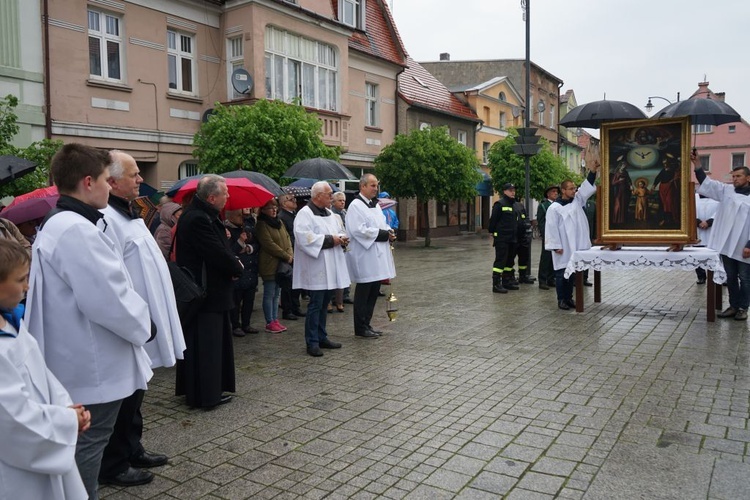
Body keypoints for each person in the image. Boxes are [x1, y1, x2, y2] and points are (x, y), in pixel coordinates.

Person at [24, 143, 153, 499]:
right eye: (104, 180)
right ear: (87, 182)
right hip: (93, 364)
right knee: (89, 444)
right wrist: (146, 326)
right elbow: (109, 299)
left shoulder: (62, 222)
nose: (110, 187)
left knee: (86, 443)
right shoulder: (76, 229)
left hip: (77, 355)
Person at [98, 151, 184, 486]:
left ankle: (132, 446)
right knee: (126, 392)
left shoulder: (130, 213)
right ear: (113, 181)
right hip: (131, 321)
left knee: (139, 388)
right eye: (134, 175)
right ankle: (114, 463)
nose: (140, 180)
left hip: (145, 317)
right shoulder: (106, 219)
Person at [0, 239, 90, 500]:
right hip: (16, 464)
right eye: (20, 280)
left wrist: (69, 410)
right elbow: (10, 418)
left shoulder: (12, 320)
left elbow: (42, 373)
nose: (27, 286)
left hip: (48, 426)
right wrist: (65, 421)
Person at [174, 174, 243, 408]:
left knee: (208, 345)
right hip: (206, 294)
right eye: (225, 193)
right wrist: (237, 267)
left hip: (210, 293)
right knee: (206, 347)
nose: (228, 196)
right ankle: (206, 395)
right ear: (212, 197)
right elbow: (215, 253)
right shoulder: (198, 219)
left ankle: (204, 391)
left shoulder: (204, 216)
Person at [293, 182, 350, 356]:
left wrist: (342, 238)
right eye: (328, 194)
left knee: (325, 303)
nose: (331, 197)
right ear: (317, 196)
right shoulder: (305, 214)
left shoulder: (331, 214)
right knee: (316, 304)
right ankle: (312, 342)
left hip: (331, 265)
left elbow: (340, 231)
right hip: (316, 267)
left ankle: (322, 336)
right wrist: (332, 240)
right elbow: (304, 238)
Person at [693, 153, 750, 320]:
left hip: (744, 245)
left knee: (745, 278)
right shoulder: (727, 191)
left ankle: (743, 308)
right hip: (726, 244)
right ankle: (733, 305)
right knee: (730, 277)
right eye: (733, 176)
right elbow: (707, 183)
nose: (735, 179)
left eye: (738, 176)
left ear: (748, 178)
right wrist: (697, 164)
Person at [345, 174, 396, 338]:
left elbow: (382, 224)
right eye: (372, 185)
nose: (375, 188)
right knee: (363, 293)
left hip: (377, 255)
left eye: (376, 185)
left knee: (374, 292)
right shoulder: (355, 206)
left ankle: (367, 324)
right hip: (365, 256)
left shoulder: (375, 205)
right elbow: (358, 230)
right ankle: (360, 328)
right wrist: (383, 234)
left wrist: (389, 231)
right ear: (363, 186)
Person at [545, 161, 599, 310]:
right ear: (563, 190)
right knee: (562, 273)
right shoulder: (554, 208)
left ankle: (569, 298)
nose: (574, 191)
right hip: (563, 245)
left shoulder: (578, 201)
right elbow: (550, 228)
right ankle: (561, 299)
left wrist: (593, 171)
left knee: (573, 273)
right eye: (570, 189)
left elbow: (587, 186)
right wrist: (556, 246)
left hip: (576, 244)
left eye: (574, 188)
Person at [256, 198, 294, 333]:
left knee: (277, 293)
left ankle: (275, 319)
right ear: (263, 210)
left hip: (282, 264)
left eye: (275, 208)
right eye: (270, 208)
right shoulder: (261, 224)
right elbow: (268, 244)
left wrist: (290, 252)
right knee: (269, 293)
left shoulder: (280, 222)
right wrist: (286, 255)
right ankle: (269, 321)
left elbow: (288, 238)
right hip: (270, 263)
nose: (273, 210)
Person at [225, 208, 260, 335]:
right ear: (231, 216)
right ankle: (235, 325)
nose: (242, 218)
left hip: (250, 268)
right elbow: (229, 251)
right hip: (238, 270)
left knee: (249, 299)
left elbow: (257, 244)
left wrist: (249, 248)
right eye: (239, 215)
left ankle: (247, 323)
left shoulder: (248, 228)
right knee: (236, 300)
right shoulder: (227, 231)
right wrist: (240, 242)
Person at [278, 193, 305, 320]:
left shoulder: (294, 215)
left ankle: (295, 306)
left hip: (297, 251)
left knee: (296, 283)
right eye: (291, 199)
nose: (295, 201)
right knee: (288, 284)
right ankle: (287, 309)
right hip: (290, 252)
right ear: (284, 203)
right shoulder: (282, 217)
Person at [488, 183, 519, 294]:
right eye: (510, 190)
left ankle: (507, 281)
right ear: (505, 191)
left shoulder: (514, 205)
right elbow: (493, 221)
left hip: (512, 238)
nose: (513, 192)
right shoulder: (499, 204)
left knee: (509, 261)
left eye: (514, 190)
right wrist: (492, 232)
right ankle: (496, 284)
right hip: (502, 239)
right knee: (500, 261)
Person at [330, 191, 350, 312]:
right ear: (333, 202)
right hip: (335, 244)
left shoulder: (345, 212)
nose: (342, 202)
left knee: (344, 273)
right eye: (340, 200)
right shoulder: (331, 214)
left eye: (343, 200)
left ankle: (343, 297)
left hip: (345, 244)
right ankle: (333, 299)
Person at [536, 185, 558, 290]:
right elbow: (541, 222)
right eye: (553, 192)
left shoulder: (558, 205)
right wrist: (546, 235)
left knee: (553, 258)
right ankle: (542, 280)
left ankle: (551, 278)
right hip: (548, 236)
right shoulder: (543, 206)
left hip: (557, 235)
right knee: (545, 258)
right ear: (548, 194)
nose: (555, 193)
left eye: (556, 192)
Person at [694, 193, 719, 285]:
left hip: (713, 230)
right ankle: (701, 276)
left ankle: (718, 276)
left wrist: (709, 222)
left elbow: (720, 211)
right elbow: (688, 210)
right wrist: (698, 222)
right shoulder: (693, 197)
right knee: (697, 255)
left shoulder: (717, 197)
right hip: (697, 230)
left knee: (716, 255)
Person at [652, 154, 681, 227]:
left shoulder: (673, 169)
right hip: (662, 187)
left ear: (668, 163)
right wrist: (654, 185)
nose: (665, 165)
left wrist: (672, 181)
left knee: (669, 203)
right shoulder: (663, 170)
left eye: (666, 163)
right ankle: (664, 219)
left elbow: (677, 175)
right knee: (663, 203)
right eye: (663, 163)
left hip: (670, 187)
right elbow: (658, 178)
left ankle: (669, 219)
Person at [513, 198, 534, 284]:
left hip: (523, 236)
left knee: (524, 258)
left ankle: (523, 276)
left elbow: (526, 217)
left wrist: (527, 224)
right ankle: (509, 278)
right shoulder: (503, 204)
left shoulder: (520, 205)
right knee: (510, 259)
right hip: (513, 237)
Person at [610, 160, 632, 225]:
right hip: (618, 191)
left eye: (625, 166)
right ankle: (616, 220)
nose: (624, 167)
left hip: (624, 190)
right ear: (620, 166)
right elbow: (613, 183)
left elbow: (629, 180)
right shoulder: (617, 173)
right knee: (618, 204)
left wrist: (631, 185)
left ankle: (622, 220)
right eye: (623, 165)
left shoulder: (625, 173)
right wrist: (619, 181)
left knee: (623, 204)